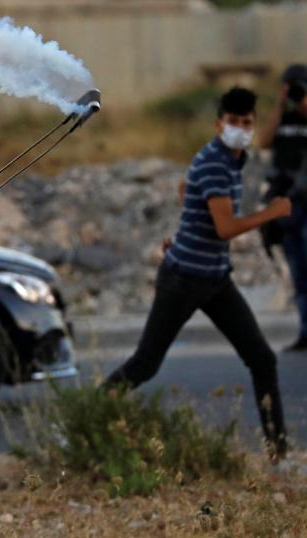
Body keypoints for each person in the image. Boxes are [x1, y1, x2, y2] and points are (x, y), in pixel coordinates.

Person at [106, 87, 292, 459]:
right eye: (233, 122)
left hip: (215, 278)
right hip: (184, 280)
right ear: (218, 123)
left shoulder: (232, 159)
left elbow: (189, 194)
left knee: (262, 359)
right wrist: (271, 213)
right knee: (145, 364)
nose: (241, 128)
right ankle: (83, 420)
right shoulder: (213, 162)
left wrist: (189, 209)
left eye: (247, 122)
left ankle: (279, 454)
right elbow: (225, 228)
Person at [259, 64, 307, 351]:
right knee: (299, 271)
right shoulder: (283, 119)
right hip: (287, 202)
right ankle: (305, 330)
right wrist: (280, 103)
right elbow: (264, 142)